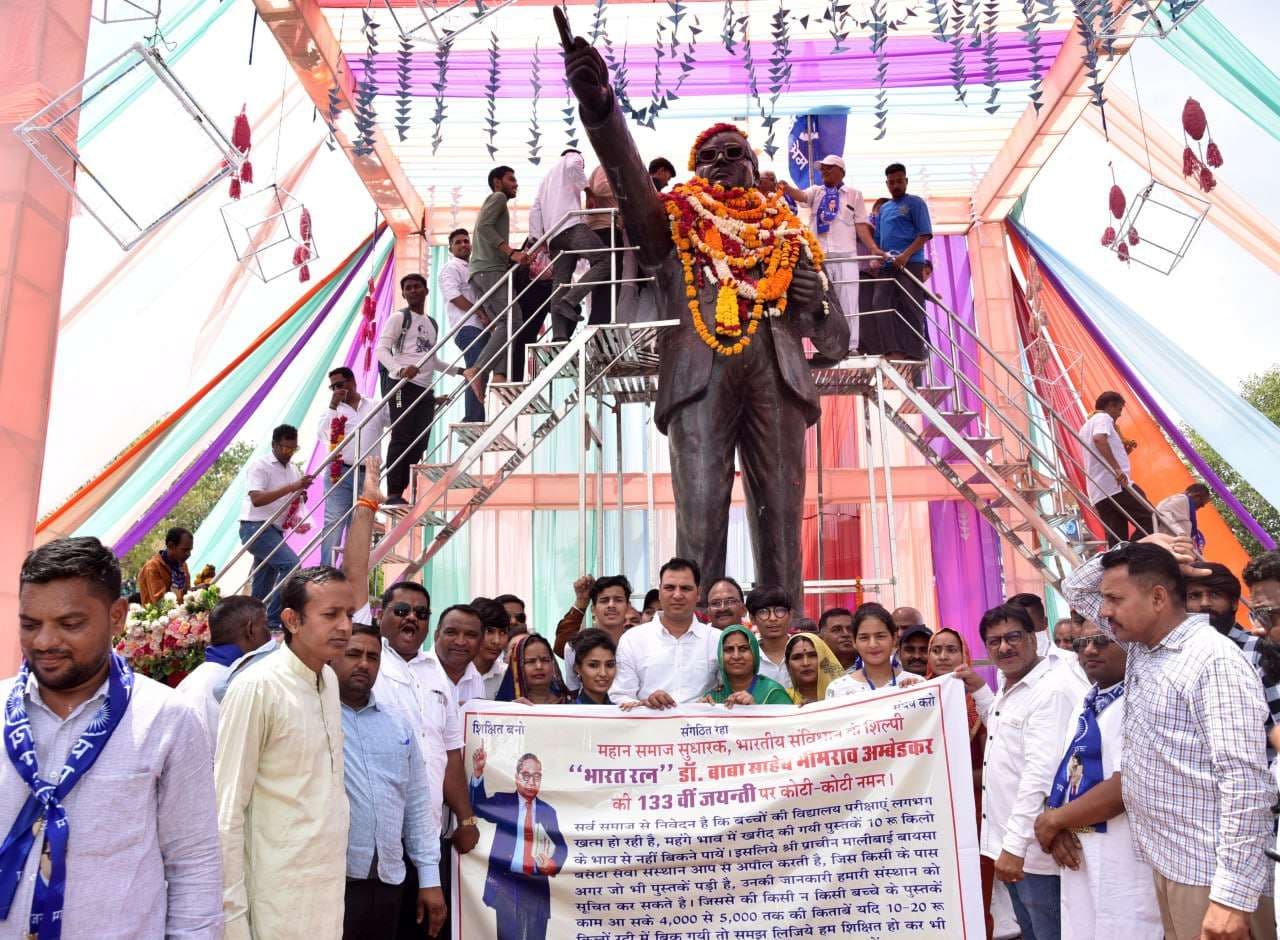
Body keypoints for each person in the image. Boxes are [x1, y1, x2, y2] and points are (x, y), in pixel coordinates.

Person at [559, 20, 848, 608]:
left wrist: (811, 297)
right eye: (708, 156)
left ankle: (783, 636)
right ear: (696, 169)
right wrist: (601, 110)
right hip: (699, 374)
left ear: (752, 165)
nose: (720, 161)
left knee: (783, 519)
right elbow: (632, 183)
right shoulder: (672, 225)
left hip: (779, 375)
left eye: (732, 154)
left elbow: (837, 342)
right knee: (699, 512)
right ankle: (689, 638)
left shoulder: (788, 235)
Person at [1, 537, 221, 937]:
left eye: (70, 624)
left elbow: (194, 863)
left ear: (117, 617)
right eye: (30, 624)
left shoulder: (167, 719)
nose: (45, 642)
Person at [1063, 536, 1276, 940]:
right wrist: (1138, 546)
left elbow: (1247, 786)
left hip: (1211, 876)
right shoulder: (1145, 647)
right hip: (1171, 863)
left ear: (1158, 598)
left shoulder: (1213, 661)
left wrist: (1231, 899)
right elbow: (1076, 587)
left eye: (1114, 599)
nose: (1103, 610)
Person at [216, 566, 353, 939]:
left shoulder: (327, 680)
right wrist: (231, 921)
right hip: (274, 898)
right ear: (292, 620)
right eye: (330, 615)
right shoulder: (256, 688)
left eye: (349, 615)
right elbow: (226, 811)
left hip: (325, 890)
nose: (344, 626)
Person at [1031, 622, 1162, 940]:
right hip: (1081, 852)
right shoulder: (1085, 703)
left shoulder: (1141, 700)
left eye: (1102, 641)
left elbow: (1124, 787)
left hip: (1127, 857)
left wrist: (1054, 821)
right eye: (1081, 643)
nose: (1089, 650)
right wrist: (1057, 824)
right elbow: (1068, 773)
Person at [373, 593, 482, 940]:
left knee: (424, 929)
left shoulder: (434, 673)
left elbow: (449, 752)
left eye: (421, 613)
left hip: (430, 833)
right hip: (379, 839)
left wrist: (465, 819)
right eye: (401, 610)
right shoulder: (368, 662)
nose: (411, 618)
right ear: (381, 614)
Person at [975, 603, 1086, 940]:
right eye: (994, 641)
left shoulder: (1049, 690)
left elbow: (1039, 777)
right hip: (1010, 847)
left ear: (1034, 638)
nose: (1004, 647)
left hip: (1033, 854)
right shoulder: (1010, 685)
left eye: (1013, 637)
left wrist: (1014, 848)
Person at [333, 624, 445, 940]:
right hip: (332, 882)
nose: (364, 664)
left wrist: (429, 878)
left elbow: (417, 804)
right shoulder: (315, 714)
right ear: (332, 658)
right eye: (353, 654)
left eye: (373, 656)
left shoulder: (397, 722)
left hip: (389, 880)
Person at [376, 274, 467, 506]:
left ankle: (405, 488)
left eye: (417, 287)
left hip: (425, 389)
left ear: (426, 291)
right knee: (402, 436)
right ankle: (393, 492)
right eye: (408, 288)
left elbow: (432, 360)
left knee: (420, 441)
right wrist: (400, 370)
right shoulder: (399, 318)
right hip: (402, 386)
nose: (413, 291)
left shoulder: (432, 323)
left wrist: (460, 372)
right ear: (404, 294)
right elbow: (382, 351)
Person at [925, 627, 991, 936]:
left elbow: (993, 764)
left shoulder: (979, 700)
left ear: (964, 655)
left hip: (973, 807)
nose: (942, 656)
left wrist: (955, 774)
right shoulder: (913, 699)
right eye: (936, 649)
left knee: (976, 888)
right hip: (926, 808)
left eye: (951, 649)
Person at [468, 745, 569, 940]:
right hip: (505, 885)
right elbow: (478, 807)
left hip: (536, 887)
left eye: (537, 776)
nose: (532, 781)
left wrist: (552, 864)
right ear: (516, 777)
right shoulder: (504, 802)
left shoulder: (548, 812)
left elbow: (562, 847)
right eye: (526, 775)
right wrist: (478, 772)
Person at [780, 154, 878, 352]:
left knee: (849, 302)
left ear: (841, 171)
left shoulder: (854, 194)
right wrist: (787, 188)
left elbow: (860, 225)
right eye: (822, 168)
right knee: (822, 304)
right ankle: (826, 348)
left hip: (847, 257)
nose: (824, 171)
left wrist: (873, 249)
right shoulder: (816, 192)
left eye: (829, 168)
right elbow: (801, 197)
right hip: (820, 259)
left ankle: (851, 347)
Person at [612, 557, 719, 707]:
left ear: (698, 593)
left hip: (701, 729)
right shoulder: (632, 639)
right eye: (669, 588)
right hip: (649, 728)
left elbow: (729, 692)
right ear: (660, 592)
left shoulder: (717, 640)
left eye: (685, 588)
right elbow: (621, 696)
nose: (677, 595)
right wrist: (645, 704)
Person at [529, 149, 611, 341]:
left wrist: (537, 239)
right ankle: (571, 299)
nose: (582, 166)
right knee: (606, 259)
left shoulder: (545, 180)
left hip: (553, 237)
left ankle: (559, 336)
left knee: (560, 282)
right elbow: (573, 166)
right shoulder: (572, 158)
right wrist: (589, 191)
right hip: (571, 226)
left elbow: (535, 210)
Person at [239, 424, 312, 629]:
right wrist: (292, 487)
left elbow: (292, 494)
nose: (288, 453)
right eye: (285, 448)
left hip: (275, 530)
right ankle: (272, 620)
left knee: (263, 582)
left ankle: (254, 622)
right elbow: (257, 499)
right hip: (256, 527)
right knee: (291, 564)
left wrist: (299, 495)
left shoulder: (293, 469)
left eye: (293, 449)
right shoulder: (260, 465)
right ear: (274, 445)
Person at [176, 595, 270, 749]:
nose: (270, 635)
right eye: (265, 626)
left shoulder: (200, 678)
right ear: (250, 630)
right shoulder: (224, 685)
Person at [318, 366, 389, 565]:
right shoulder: (333, 410)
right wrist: (333, 405)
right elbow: (322, 434)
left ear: (352, 382)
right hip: (340, 472)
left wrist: (428, 405)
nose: (336, 390)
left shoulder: (375, 404)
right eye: (332, 387)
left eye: (339, 385)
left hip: (369, 475)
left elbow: (399, 420)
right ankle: (326, 571)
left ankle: (349, 572)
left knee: (360, 525)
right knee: (334, 521)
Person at [864, 163, 933, 361]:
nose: (895, 185)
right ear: (887, 184)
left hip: (910, 262)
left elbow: (924, 234)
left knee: (911, 304)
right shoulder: (884, 208)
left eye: (899, 181)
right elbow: (879, 238)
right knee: (879, 303)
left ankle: (916, 351)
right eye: (892, 182)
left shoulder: (915, 203)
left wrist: (906, 255)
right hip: (887, 264)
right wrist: (877, 256)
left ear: (906, 181)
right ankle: (891, 349)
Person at [471, 166, 529, 390]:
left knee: (507, 324)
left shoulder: (496, 200)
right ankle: (478, 370)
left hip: (487, 270)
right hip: (489, 269)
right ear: (497, 181)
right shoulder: (498, 197)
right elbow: (484, 227)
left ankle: (499, 374)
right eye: (511, 179)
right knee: (513, 320)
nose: (516, 184)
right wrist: (511, 253)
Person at [1080, 392, 1152, 547]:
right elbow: (1099, 439)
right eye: (1119, 410)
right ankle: (1130, 552)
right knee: (1151, 517)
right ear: (1110, 406)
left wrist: (1123, 453)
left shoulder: (1085, 426)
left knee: (1117, 538)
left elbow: (1098, 448)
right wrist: (1117, 469)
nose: (1119, 415)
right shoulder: (1103, 418)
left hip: (1099, 491)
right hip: (1115, 484)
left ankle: (1120, 558)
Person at [552, 575, 631, 692]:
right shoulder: (574, 647)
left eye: (618, 600)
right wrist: (581, 602)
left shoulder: (638, 643)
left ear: (628, 606)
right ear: (593, 609)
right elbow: (573, 689)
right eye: (604, 600)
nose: (611, 605)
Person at [439, 228, 486, 423]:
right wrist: (479, 312)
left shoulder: (474, 267)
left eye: (466, 241)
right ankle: (472, 418)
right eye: (458, 242)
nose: (463, 245)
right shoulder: (451, 268)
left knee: (481, 371)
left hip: (481, 327)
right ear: (450, 248)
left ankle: (477, 415)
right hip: (466, 326)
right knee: (475, 370)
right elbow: (454, 296)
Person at [826, 603, 922, 697]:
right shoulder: (838, 690)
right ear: (854, 642)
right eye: (864, 638)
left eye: (880, 636)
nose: (873, 645)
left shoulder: (916, 684)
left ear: (894, 639)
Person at [703, 624, 793, 705]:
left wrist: (754, 710)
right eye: (729, 649)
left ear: (754, 653)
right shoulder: (713, 697)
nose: (736, 656)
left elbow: (788, 723)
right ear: (720, 655)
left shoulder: (773, 693)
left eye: (743, 649)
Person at [496, 634, 569, 705]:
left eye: (545, 660)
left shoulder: (569, 704)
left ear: (553, 664)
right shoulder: (506, 708)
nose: (539, 666)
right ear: (518, 667)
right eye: (530, 661)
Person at [743, 585, 793, 687]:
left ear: (790, 614)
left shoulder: (806, 651)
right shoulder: (744, 656)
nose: (773, 618)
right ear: (752, 618)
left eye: (779, 610)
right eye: (763, 612)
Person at [138, 525, 194, 604]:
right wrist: (191, 593)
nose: (189, 554)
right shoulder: (152, 567)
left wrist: (197, 592)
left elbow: (187, 594)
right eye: (185, 550)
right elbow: (161, 602)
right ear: (171, 546)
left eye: (190, 550)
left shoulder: (183, 565)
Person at [784, 632, 844, 704]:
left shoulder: (843, 693)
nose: (805, 663)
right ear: (787, 664)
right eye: (797, 657)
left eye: (813, 655)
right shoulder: (782, 698)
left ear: (824, 659)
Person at [471, 597, 511, 699]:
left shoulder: (507, 676)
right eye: (489, 631)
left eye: (503, 633)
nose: (496, 641)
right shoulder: (450, 672)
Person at [1155, 482, 1212, 551]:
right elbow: (1162, 512)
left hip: (1170, 544)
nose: (1201, 507)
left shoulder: (1186, 506)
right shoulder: (1183, 499)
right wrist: (1181, 534)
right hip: (1164, 542)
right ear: (1196, 495)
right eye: (1201, 503)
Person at [571, 629, 617, 704]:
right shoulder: (567, 713)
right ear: (578, 668)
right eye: (593, 665)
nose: (603, 673)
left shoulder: (621, 711)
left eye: (610, 665)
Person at [894, 608, 932, 676]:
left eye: (906, 628)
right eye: (909, 650)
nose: (899, 633)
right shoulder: (882, 666)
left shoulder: (947, 673)